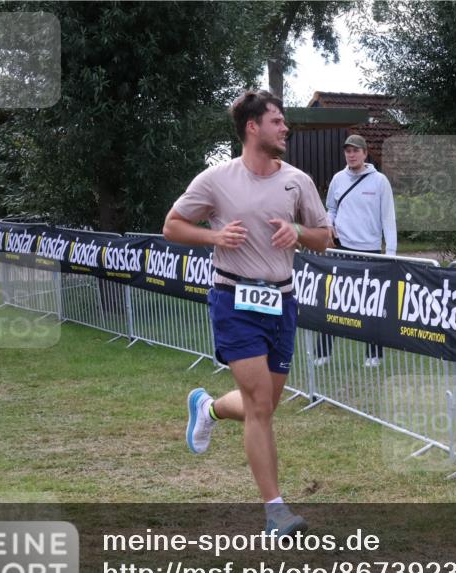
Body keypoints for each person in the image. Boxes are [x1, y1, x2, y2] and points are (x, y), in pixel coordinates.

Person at [163, 90, 332, 535]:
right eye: (276, 121)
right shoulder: (216, 180)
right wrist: (214, 238)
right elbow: (173, 226)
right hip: (233, 298)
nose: (285, 128)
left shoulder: (298, 181)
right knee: (259, 405)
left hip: (282, 299)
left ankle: (208, 408)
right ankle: (276, 511)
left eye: (283, 122)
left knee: (267, 405)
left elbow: (324, 237)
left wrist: (296, 230)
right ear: (252, 127)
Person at [315, 134, 397, 367]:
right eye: (348, 151)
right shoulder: (338, 179)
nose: (351, 155)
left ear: (365, 153)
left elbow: (388, 218)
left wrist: (390, 253)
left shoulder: (380, 181)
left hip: (371, 252)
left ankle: (374, 355)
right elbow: (330, 208)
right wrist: (329, 223)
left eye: (355, 151)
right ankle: (323, 354)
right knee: (332, 302)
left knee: (372, 305)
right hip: (342, 250)